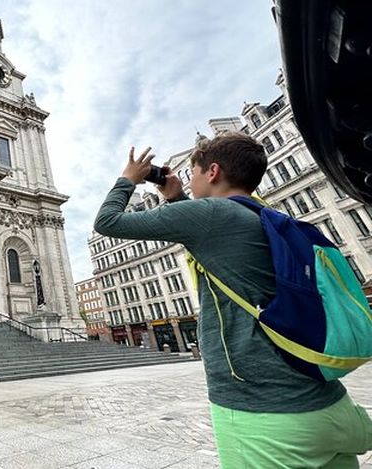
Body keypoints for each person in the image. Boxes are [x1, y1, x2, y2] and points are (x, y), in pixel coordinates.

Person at [93, 133, 372, 468]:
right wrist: (177, 196)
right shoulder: (263, 215)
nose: (189, 179)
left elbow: (107, 222)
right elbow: (214, 247)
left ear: (212, 172)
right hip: (332, 410)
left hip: (265, 419)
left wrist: (128, 179)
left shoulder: (210, 216)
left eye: (193, 172)